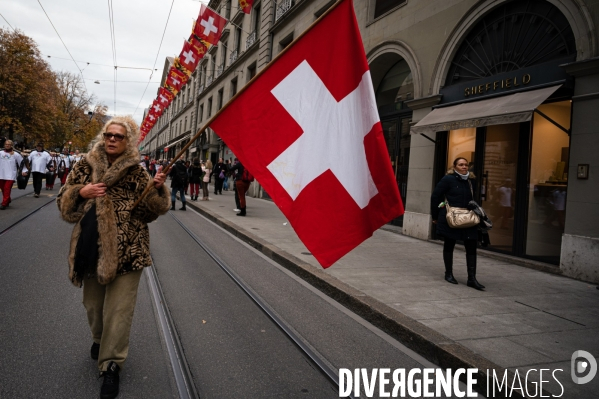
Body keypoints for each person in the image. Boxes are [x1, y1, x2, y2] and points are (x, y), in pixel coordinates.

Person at [56, 116, 170, 399]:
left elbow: (149, 213)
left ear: (127, 140)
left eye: (119, 136)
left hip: (129, 250)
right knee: (94, 306)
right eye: (109, 134)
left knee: (118, 312)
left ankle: (110, 366)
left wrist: (155, 189)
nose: (112, 140)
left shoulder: (136, 172)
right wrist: (81, 192)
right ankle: (98, 338)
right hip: (92, 247)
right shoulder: (86, 164)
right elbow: (64, 203)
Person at [430, 157, 485, 290]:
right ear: (454, 167)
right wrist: (435, 215)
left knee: (472, 246)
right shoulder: (448, 179)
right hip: (452, 217)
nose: (464, 167)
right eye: (461, 165)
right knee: (449, 244)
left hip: (468, 217)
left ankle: (472, 278)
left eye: (466, 165)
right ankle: (448, 274)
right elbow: (435, 196)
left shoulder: (471, 181)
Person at [0, 140, 24, 210]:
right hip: (1, 174)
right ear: (4, 145)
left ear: (11, 145)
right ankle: (8, 200)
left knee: (7, 189)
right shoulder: (1, 153)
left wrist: (24, 171)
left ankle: (4, 204)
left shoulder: (15, 154)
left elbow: (21, 163)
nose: (7, 145)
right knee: (3, 189)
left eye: (9, 144)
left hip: (10, 174)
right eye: (6, 144)